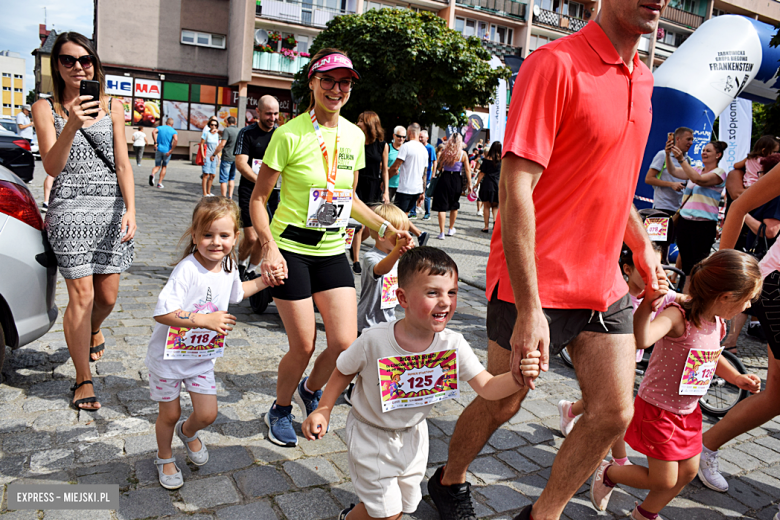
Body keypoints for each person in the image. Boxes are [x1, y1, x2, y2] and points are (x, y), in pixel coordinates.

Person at [426, 2, 663, 518]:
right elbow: (516, 188)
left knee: (613, 412)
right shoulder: (554, 63)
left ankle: (543, 514)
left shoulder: (644, 80)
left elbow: (614, 182)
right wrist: (531, 307)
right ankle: (448, 481)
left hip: (603, 282)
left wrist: (640, 243)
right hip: (533, 278)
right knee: (504, 401)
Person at [248, 48, 414, 447]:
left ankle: (311, 389)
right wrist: (268, 247)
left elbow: (349, 198)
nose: (336, 89)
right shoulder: (288, 135)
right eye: (329, 80)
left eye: (344, 82)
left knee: (344, 341)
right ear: (312, 82)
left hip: (330, 249)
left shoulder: (355, 136)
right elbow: (258, 199)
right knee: (303, 343)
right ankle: (281, 409)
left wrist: (386, 229)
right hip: (290, 248)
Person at [301, 247, 541, 520]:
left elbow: (487, 387)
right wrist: (324, 408)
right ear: (402, 297)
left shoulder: (452, 344)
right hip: (371, 436)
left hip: (414, 437)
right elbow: (343, 370)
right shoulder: (374, 339)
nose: (445, 302)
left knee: (401, 505)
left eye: (452, 292)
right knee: (387, 514)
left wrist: (516, 378)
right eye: (432, 292)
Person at [590, 250, 762, 520]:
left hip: (688, 412)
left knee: (688, 472)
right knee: (664, 480)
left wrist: (736, 378)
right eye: (748, 299)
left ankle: (645, 514)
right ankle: (609, 472)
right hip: (659, 411)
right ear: (726, 297)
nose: (750, 306)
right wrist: (647, 305)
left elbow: (710, 357)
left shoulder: (716, 323)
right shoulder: (678, 316)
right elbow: (643, 339)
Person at [145, 196, 282, 490]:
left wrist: (264, 282)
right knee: (169, 414)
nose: (215, 242)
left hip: (200, 358)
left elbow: (236, 293)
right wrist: (203, 320)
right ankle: (164, 456)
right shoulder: (187, 270)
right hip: (168, 360)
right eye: (207, 235)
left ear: (236, 237)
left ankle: (189, 432)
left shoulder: (230, 265)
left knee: (207, 414)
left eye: (224, 235)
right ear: (194, 236)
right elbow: (163, 313)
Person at [33, 31, 136, 411]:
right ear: (56, 66)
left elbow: (123, 163)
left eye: (85, 60)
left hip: (110, 208)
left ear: (95, 63)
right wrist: (73, 123)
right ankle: (82, 378)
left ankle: (93, 328)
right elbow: (52, 166)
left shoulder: (113, 107)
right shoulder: (45, 108)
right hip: (70, 210)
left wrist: (131, 209)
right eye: (68, 60)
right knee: (83, 295)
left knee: (107, 296)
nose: (78, 67)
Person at [697, 154, 780, 506]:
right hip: (777, 284)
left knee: (776, 397)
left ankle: (704, 446)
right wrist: (717, 284)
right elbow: (739, 206)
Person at [558, 244, 684, 460]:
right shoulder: (618, 297)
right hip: (609, 358)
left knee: (603, 401)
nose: (653, 275)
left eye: (658, 268)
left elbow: (684, 299)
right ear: (627, 270)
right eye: (645, 269)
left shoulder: (662, 293)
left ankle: (570, 409)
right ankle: (619, 460)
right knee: (617, 410)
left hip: (632, 360)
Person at [667, 140, 728, 279]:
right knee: (687, 263)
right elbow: (673, 171)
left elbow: (699, 180)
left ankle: (695, 294)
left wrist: (681, 159)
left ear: (718, 155)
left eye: (708, 150)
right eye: (703, 150)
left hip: (704, 224)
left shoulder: (720, 173)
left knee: (698, 265)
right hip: (685, 221)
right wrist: (667, 154)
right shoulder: (696, 168)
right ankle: (686, 294)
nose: (704, 153)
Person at [234, 95, 279, 276]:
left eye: (276, 114)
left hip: (274, 193)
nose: (273, 118)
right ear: (258, 112)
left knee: (265, 237)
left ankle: (252, 270)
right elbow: (241, 163)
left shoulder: (280, 135)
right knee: (251, 237)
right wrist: (260, 181)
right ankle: (241, 263)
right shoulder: (247, 133)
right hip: (250, 191)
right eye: (268, 114)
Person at [357, 203, 411, 334]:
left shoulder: (398, 257)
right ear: (382, 236)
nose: (402, 238)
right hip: (367, 323)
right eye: (398, 235)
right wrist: (398, 250)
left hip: (388, 322)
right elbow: (380, 270)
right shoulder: (371, 257)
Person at [351, 111, 390, 273]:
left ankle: (352, 245)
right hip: (358, 185)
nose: (358, 123)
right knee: (359, 226)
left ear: (370, 123)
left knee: (370, 226)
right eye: (358, 120)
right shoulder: (356, 141)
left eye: (362, 121)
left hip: (374, 186)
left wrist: (386, 191)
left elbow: (385, 171)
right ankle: (355, 260)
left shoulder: (382, 145)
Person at [387, 123, 429, 246]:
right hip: (416, 188)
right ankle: (418, 235)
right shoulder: (424, 149)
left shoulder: (406, 147)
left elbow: (395, 167)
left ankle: (410, 241)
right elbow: (424, 173)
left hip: (405, 188)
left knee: (398, 218)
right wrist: (423, 191)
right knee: (403, 217)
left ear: (409, 133)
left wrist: (385, 180)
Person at [643, 127, 694, 216]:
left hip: (679, 209)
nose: (691, 143)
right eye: (688, 139)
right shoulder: (662, 155)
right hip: (662, 207)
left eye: (692, 140)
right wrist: (671, 184)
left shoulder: (687, 160)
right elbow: (648, 179)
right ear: (678, 139)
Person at [431, 133, 472, 240]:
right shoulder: (463, 154)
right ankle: (451, 228)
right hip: (456, 180)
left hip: (444, 179)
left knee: (442, 206)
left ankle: (441, 232)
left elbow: (440, 168)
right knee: (454, 205)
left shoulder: (444, 153)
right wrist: (470, 184)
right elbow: (467, 170)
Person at [475, 142, 501, 232]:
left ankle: (486, 226)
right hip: (498, 185)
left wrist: (476, 183)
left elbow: (482, 173)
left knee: (486, 206)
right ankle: (495, 222)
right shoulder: (502, 160)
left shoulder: (486, 159)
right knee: (495, 206)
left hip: (487, 184)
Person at [213, 116, 239, 199]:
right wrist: (218, 132)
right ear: (235, 122)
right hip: (235, 158)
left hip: (226, 157)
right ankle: (230, 197)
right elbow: (227, 136)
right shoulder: (238, 131)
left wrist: (214, 154)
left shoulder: (227, 130)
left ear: (227, 122)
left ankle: (223, 197)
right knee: (231, 178)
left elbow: (222, 144)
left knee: (223, 179)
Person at [151, 118, 178, 188]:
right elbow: (176, 139)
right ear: (172, 124)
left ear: (166, 122)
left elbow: (153, 132)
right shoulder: (173, 131)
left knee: (157, 166)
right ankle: (159, 183)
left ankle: (152, 174)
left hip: (158, 149)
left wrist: (155, 142)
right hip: (167, 151)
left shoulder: (160, 128)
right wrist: (171, 150)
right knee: (164, 166)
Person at [418, 130, 437, 220]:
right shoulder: (417, 146)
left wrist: (433, 173)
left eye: (422, 137)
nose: (420, 138)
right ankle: (413, 211)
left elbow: (434, 161)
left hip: (427, 175)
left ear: (427, 138)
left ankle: (427, 213)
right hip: (417, 174)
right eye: (419, 137)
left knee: (426, 195)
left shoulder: (430, 148)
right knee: (416, 193)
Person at [201, 120, 221, 196]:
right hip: (207, 155)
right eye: (212, 125)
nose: (214, 126)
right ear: (209, 125)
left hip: (214, 156)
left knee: (213, 175)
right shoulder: (206, 133)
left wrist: (218, 155)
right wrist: (203, 155)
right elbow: (202, 144)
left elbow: (217, 145)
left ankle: (209, 191)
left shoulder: (217, 135)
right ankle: (204, 193)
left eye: (215, 125)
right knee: (206, 174)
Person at [387, 126, 405, 201]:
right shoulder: (387, 147)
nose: (401, 139)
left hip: (402, 185)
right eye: (399, 136)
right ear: (394, 135)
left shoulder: (406, 149)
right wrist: (390, 169)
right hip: (389, 183)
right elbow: (380, 164)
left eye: (404, 137)